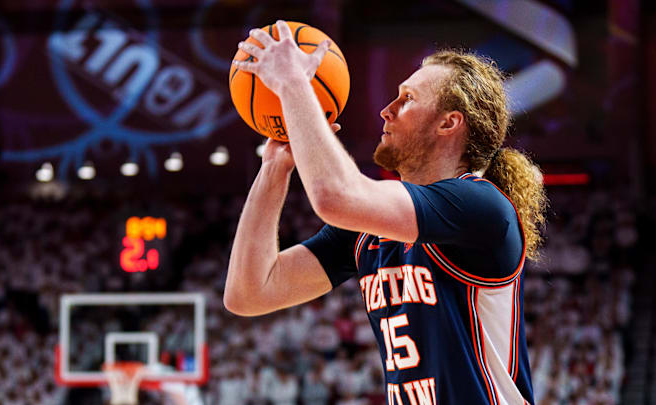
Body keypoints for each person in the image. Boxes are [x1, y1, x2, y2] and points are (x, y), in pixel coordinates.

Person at [225, 20, 547, 404]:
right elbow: (249, 292)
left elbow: (336, 196)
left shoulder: (482, 209)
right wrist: (274, 167)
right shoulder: (367, 231)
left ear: (449, 123)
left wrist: (294, 84)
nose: (385, 111)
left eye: (407, 99)